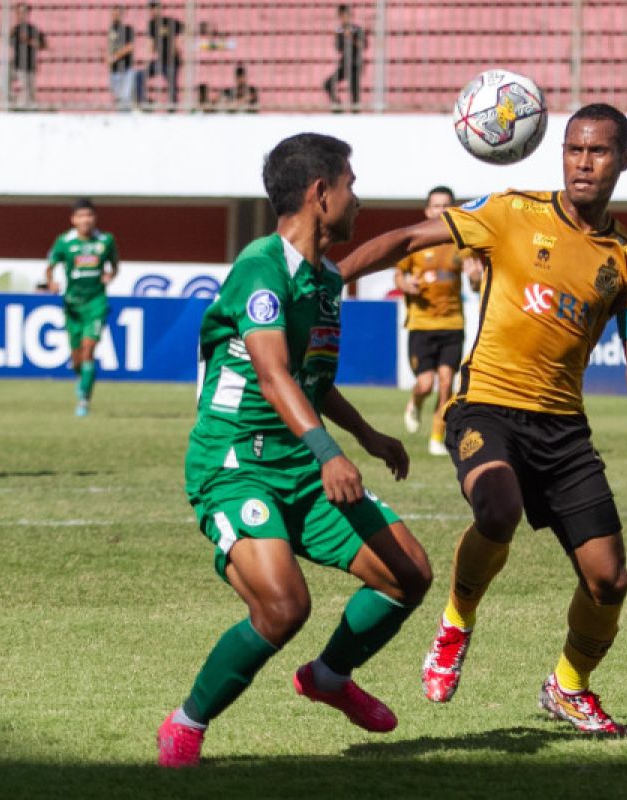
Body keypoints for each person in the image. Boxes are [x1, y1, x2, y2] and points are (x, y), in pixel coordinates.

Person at [340, 104, 627, 735]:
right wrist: (328, 277)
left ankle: (568, 686)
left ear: (625, 161)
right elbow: (405, 240)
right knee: (497, 508)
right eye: (574, 150)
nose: (584, 163)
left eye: (599, 152)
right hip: (486, 407)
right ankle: (456, 622)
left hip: (564, 431)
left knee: (609, 581)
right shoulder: (510, 212)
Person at [156, 133, 432, 768]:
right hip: (235, 464)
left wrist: (367, 436)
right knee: (284, 606)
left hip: (300, 463)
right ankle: (186, 723)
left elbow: (311, 382)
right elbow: (274, 373)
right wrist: (331, 452)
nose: (357, 198)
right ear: (320, 193)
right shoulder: (261, 265)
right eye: (351, 185)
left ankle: (329, 678)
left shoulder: (323, 280)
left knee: (407, 573)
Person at [395, 186, 483, 457]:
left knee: (447, 382)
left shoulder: (461, 244)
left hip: (452, 324)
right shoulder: (416, 241)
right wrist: (406, 284)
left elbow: (476, 281)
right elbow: (399, 275)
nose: (440, 211)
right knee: (425, 383)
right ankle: (415, 403)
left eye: (446, 205)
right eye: (436, 206)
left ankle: (437, 436)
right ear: (427, 210)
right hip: (421, 325)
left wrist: (476, 276)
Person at [45, 198, 118, 417]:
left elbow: (114, 265)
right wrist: (51, 282)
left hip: (96, 303)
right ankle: (83, 380)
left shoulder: (106, 240)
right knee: (76, 357)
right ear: (73, 219)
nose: (85, 220)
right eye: (81, 216)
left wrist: (110, 274)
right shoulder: (64, 242)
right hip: (72, 305)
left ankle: (84, 400)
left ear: (95, 218)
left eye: (89, 215)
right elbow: (49, 267)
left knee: (88, 351)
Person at [323, 4, 366, 110]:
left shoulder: (357, 29)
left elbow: (363, 46)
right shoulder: (339, 30)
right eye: (341, 15)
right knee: (328, 84)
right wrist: (339, 37)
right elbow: (338, 48)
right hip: (344, 63)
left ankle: (355, 114)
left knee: (354, 91)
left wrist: (351, 37)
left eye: (345, 15)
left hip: (356, 63)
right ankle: (337, 107)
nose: (343, 18)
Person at [8, 3, 46, 109]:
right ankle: (16, 105)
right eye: (19, 12)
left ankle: (27, 109)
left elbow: (42, 45)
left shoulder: (34, 29)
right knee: (17, 88)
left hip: (29, 65)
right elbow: (10, 44)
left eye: (24, 12)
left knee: (29, 92)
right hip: (17, 64)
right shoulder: (14, 30)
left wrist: (28, 41)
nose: (21, 15)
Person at [147, 0, 184, 107]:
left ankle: (172, 109)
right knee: (140, 76)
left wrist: (178, 45)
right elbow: (151, 44)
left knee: (172, 86)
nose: (153, 11)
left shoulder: (169, 21)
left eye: (155, 8)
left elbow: (184, 29)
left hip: (172, 60)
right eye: (151, 9)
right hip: (160, 60)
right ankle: (145, 102)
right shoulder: (151, 24)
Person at [107, 6, 143, 110]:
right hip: (114, 69)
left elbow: (130, 46)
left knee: (125, 97)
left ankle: (125, 120)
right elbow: (109, 46)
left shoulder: (127, 29)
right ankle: (123, 119)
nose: (115, 15)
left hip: (126, 68)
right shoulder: (111, 29)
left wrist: (115, 56)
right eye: (113, 13)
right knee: (118, 97)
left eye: (117, 13)